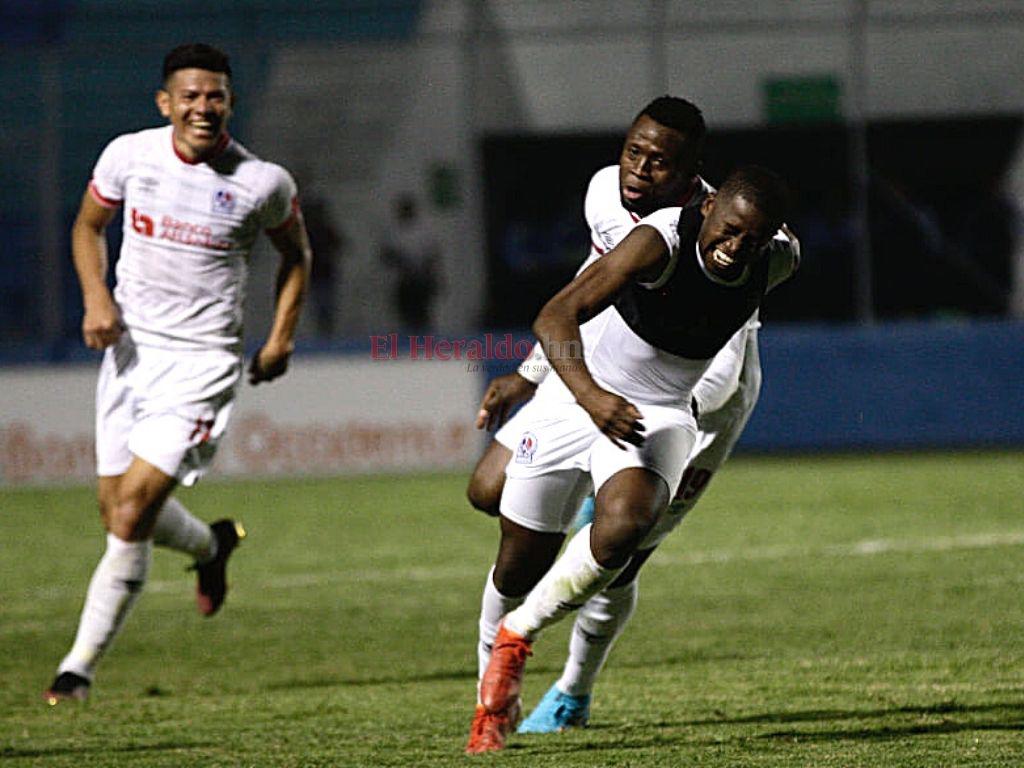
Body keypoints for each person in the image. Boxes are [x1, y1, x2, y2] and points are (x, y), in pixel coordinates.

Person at [465, 98, 779, 745]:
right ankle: (494, 681)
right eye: (633, 151)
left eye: (658, 162)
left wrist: (656, 439)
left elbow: (722, 365)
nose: (638, 169)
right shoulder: (606, 194)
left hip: (698, 404)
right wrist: (534, 375)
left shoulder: (732, 236)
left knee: (621, 547)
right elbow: (587, 289)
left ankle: (572, 692)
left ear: (691, 176)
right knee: (487, 491)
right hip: (596, 375)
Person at [43, 43, 312, 705]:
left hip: (202, 365)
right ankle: (211, 547)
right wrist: (96, 299)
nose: (202, 107)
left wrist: (280, 338)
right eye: (189, 95)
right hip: (129, 355)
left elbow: (297, 256)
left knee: (131, 513)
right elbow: (87, 227)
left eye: (214, 95)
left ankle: (76, 671)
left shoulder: (262, 183)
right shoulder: (129, 156)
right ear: (166, 103)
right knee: (116, 507)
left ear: (230, 102)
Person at [379, 194, 442, 330]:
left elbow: (433, 253)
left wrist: (425, 270)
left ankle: (424, 334)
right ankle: (408, 334)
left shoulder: (424, 230)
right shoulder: (393, 231)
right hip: (401, 278)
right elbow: (386, 254)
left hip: (421, 277)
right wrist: (402, 264)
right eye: (403, 209)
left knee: (422, 311)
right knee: (404, 312)